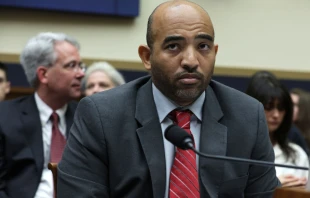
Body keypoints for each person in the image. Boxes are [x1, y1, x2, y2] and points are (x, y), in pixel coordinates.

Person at [58, 1, 279, 197]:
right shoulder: (101, 116)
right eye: (174, 46)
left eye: (203, 46)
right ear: (147, 57)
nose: (191, 60)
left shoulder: (248, 116)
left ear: (215, 52)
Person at [0, 32, 85, 198]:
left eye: (80, 66)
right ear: (43, 74)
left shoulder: (86, 117)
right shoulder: (5, 117)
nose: (80, 73)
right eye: (71, 65)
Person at [246, 72, 309, 188]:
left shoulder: (297, 154)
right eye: (269, 106)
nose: (276, 115)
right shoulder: (234, 149)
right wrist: (272, 186)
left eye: (281, 108)